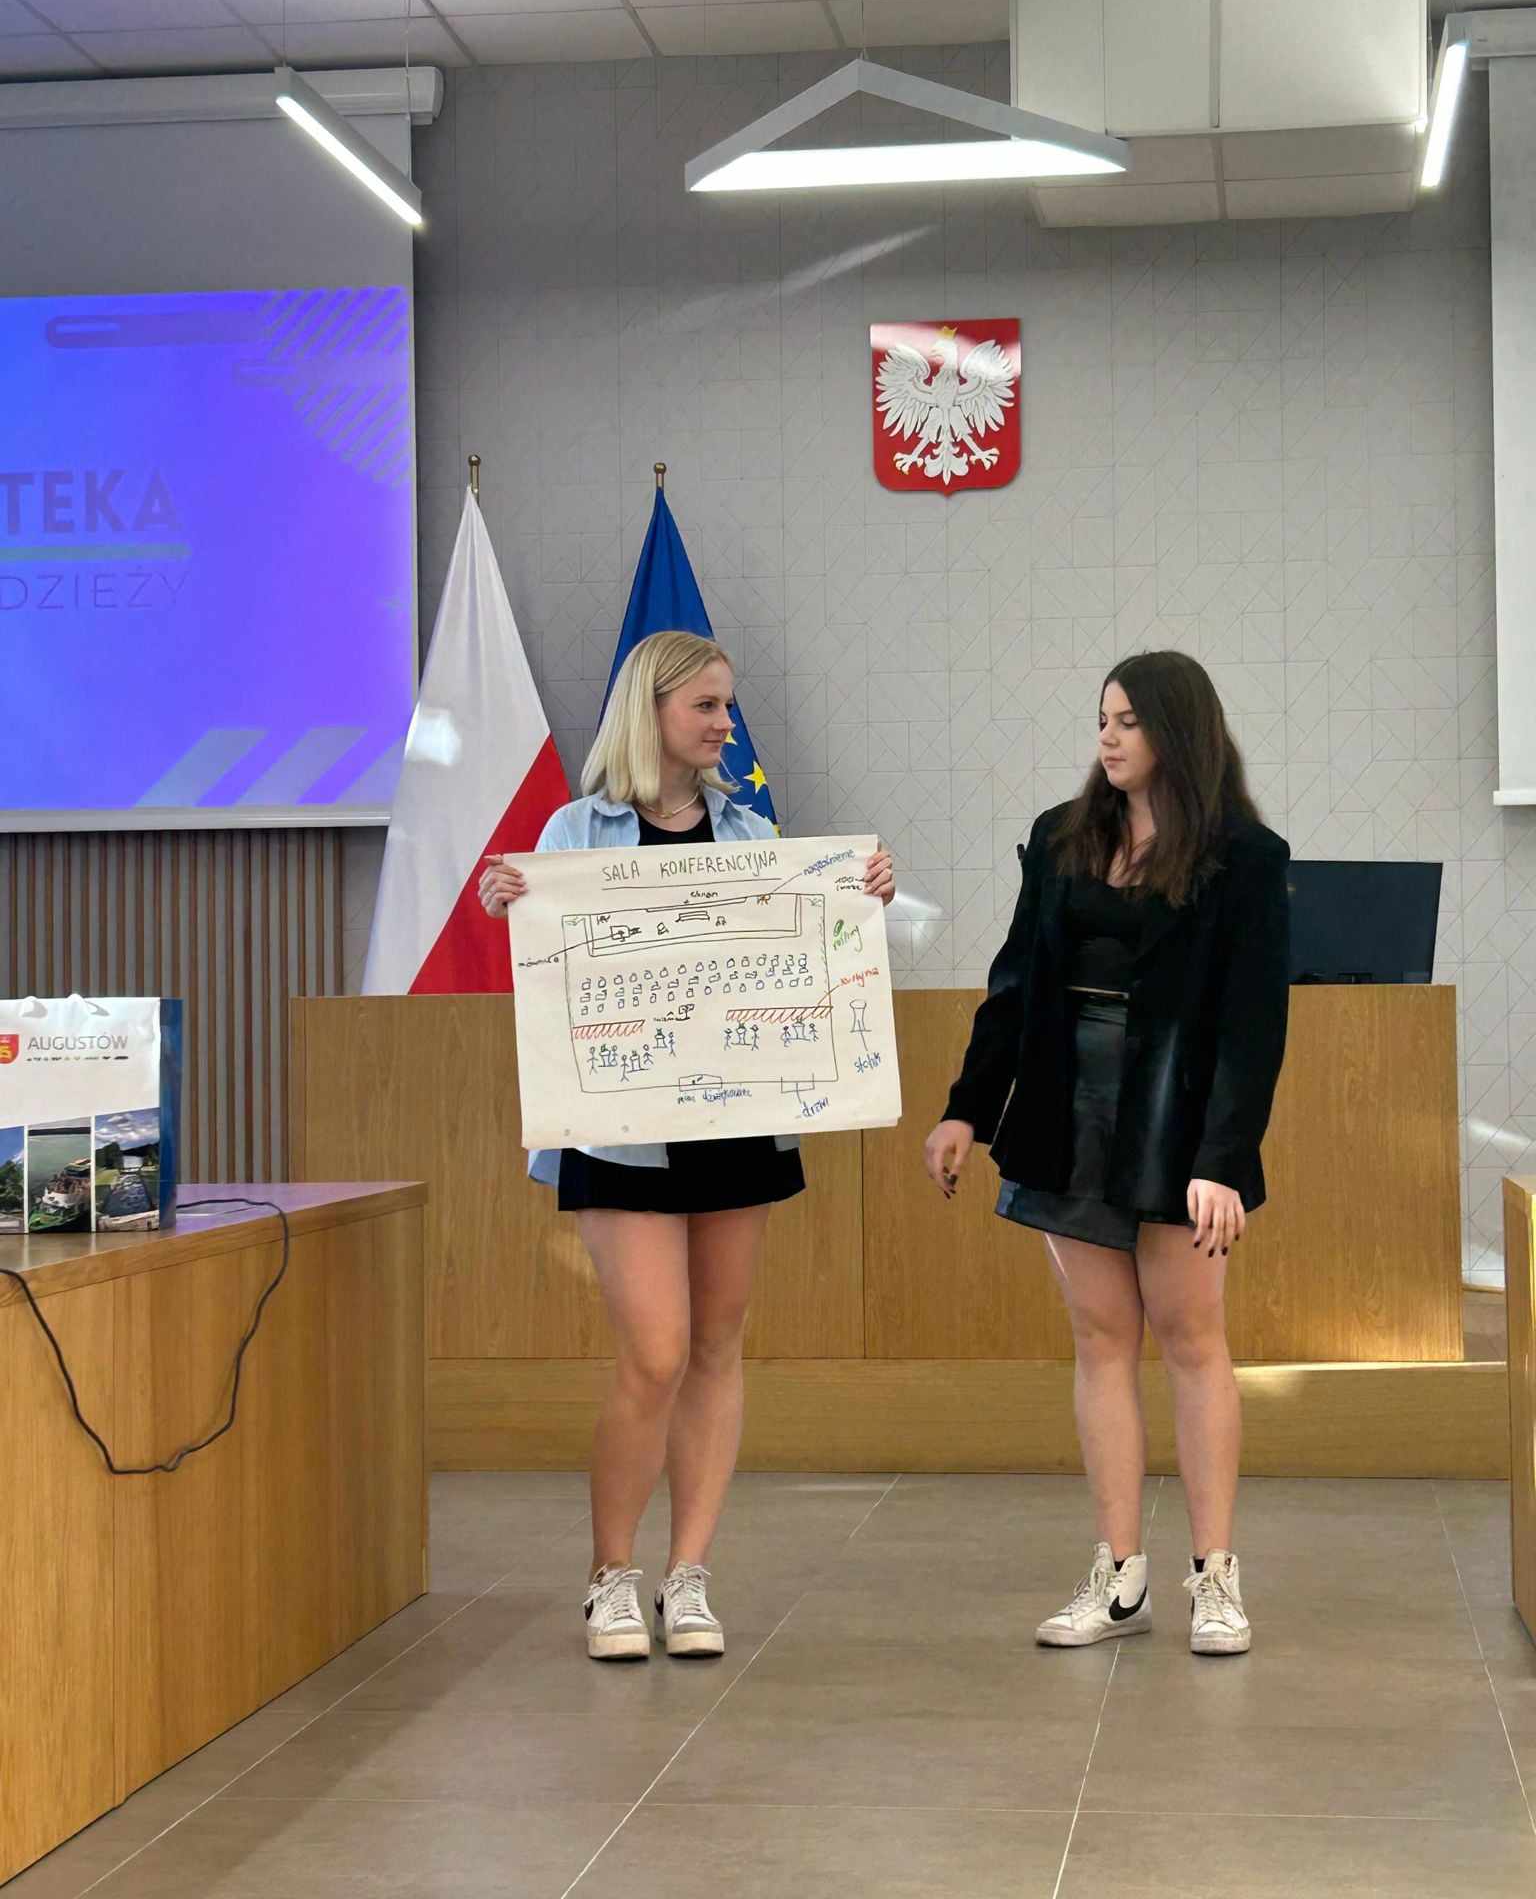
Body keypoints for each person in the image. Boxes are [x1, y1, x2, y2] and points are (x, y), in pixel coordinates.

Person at [481, 629, 895, 1664]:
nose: (724, 723)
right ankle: (611, 1575)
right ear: (652, 709)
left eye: (726, 705)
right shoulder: (575, 830)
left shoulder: (753, 831)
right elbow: (548, 966)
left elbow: (807, 955)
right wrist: (507, 905)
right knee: (656, 1350)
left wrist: (860, 898)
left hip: (738, 1120)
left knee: (716, 1344)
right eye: (706, 705)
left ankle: (689, 1573)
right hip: (620, 1134)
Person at [924, 650, 1289, 1657]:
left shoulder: (1245, 855)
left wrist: (1223, 1156)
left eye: (1129, 720)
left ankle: (1215, 1575)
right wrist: (966, 1110)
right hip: (1063, 1107)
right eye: (1103, 719)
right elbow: (1014, 984)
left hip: (1176, 1118)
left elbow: (1253, 1025)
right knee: (1101, 1338)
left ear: (1179, 729)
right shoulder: (1061, 836)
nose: (1109, 737)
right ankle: (1119, 1575)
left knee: (1191, 1337)